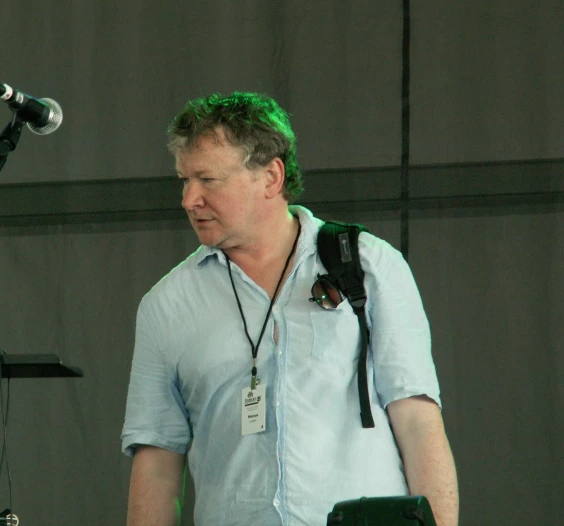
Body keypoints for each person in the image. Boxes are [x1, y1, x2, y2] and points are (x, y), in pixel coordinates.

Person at [121, 92, 459, 526]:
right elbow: (156, 464)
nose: (189, 199)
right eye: (184, 180)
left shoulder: (370, 266)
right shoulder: (165, 305)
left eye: (208, 180)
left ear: (271, 177)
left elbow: (418, 423)